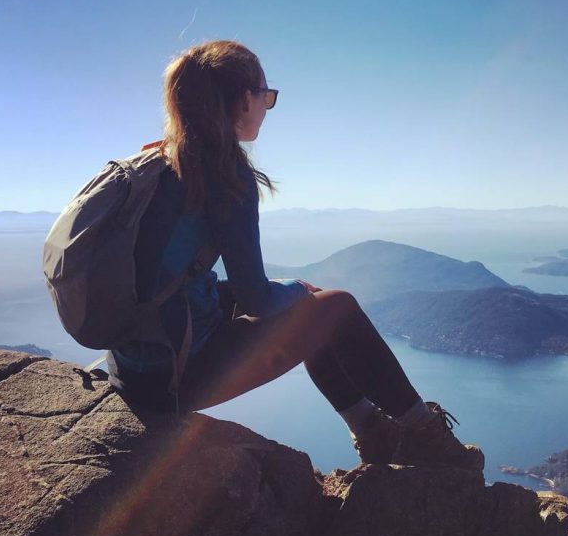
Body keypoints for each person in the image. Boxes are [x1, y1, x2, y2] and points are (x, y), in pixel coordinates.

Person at [105, 39, 483, 470]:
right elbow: (256, 299)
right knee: (335, 307)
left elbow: (165, 276)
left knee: (310, 303)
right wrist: (298, 292)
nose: (267, 107)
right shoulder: (222, 174)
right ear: (245, 100)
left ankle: (374, 433)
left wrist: (298, 294)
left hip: (132, 364)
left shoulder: (157, 162)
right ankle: (425, 439)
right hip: (173, 376)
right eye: (267, 96)